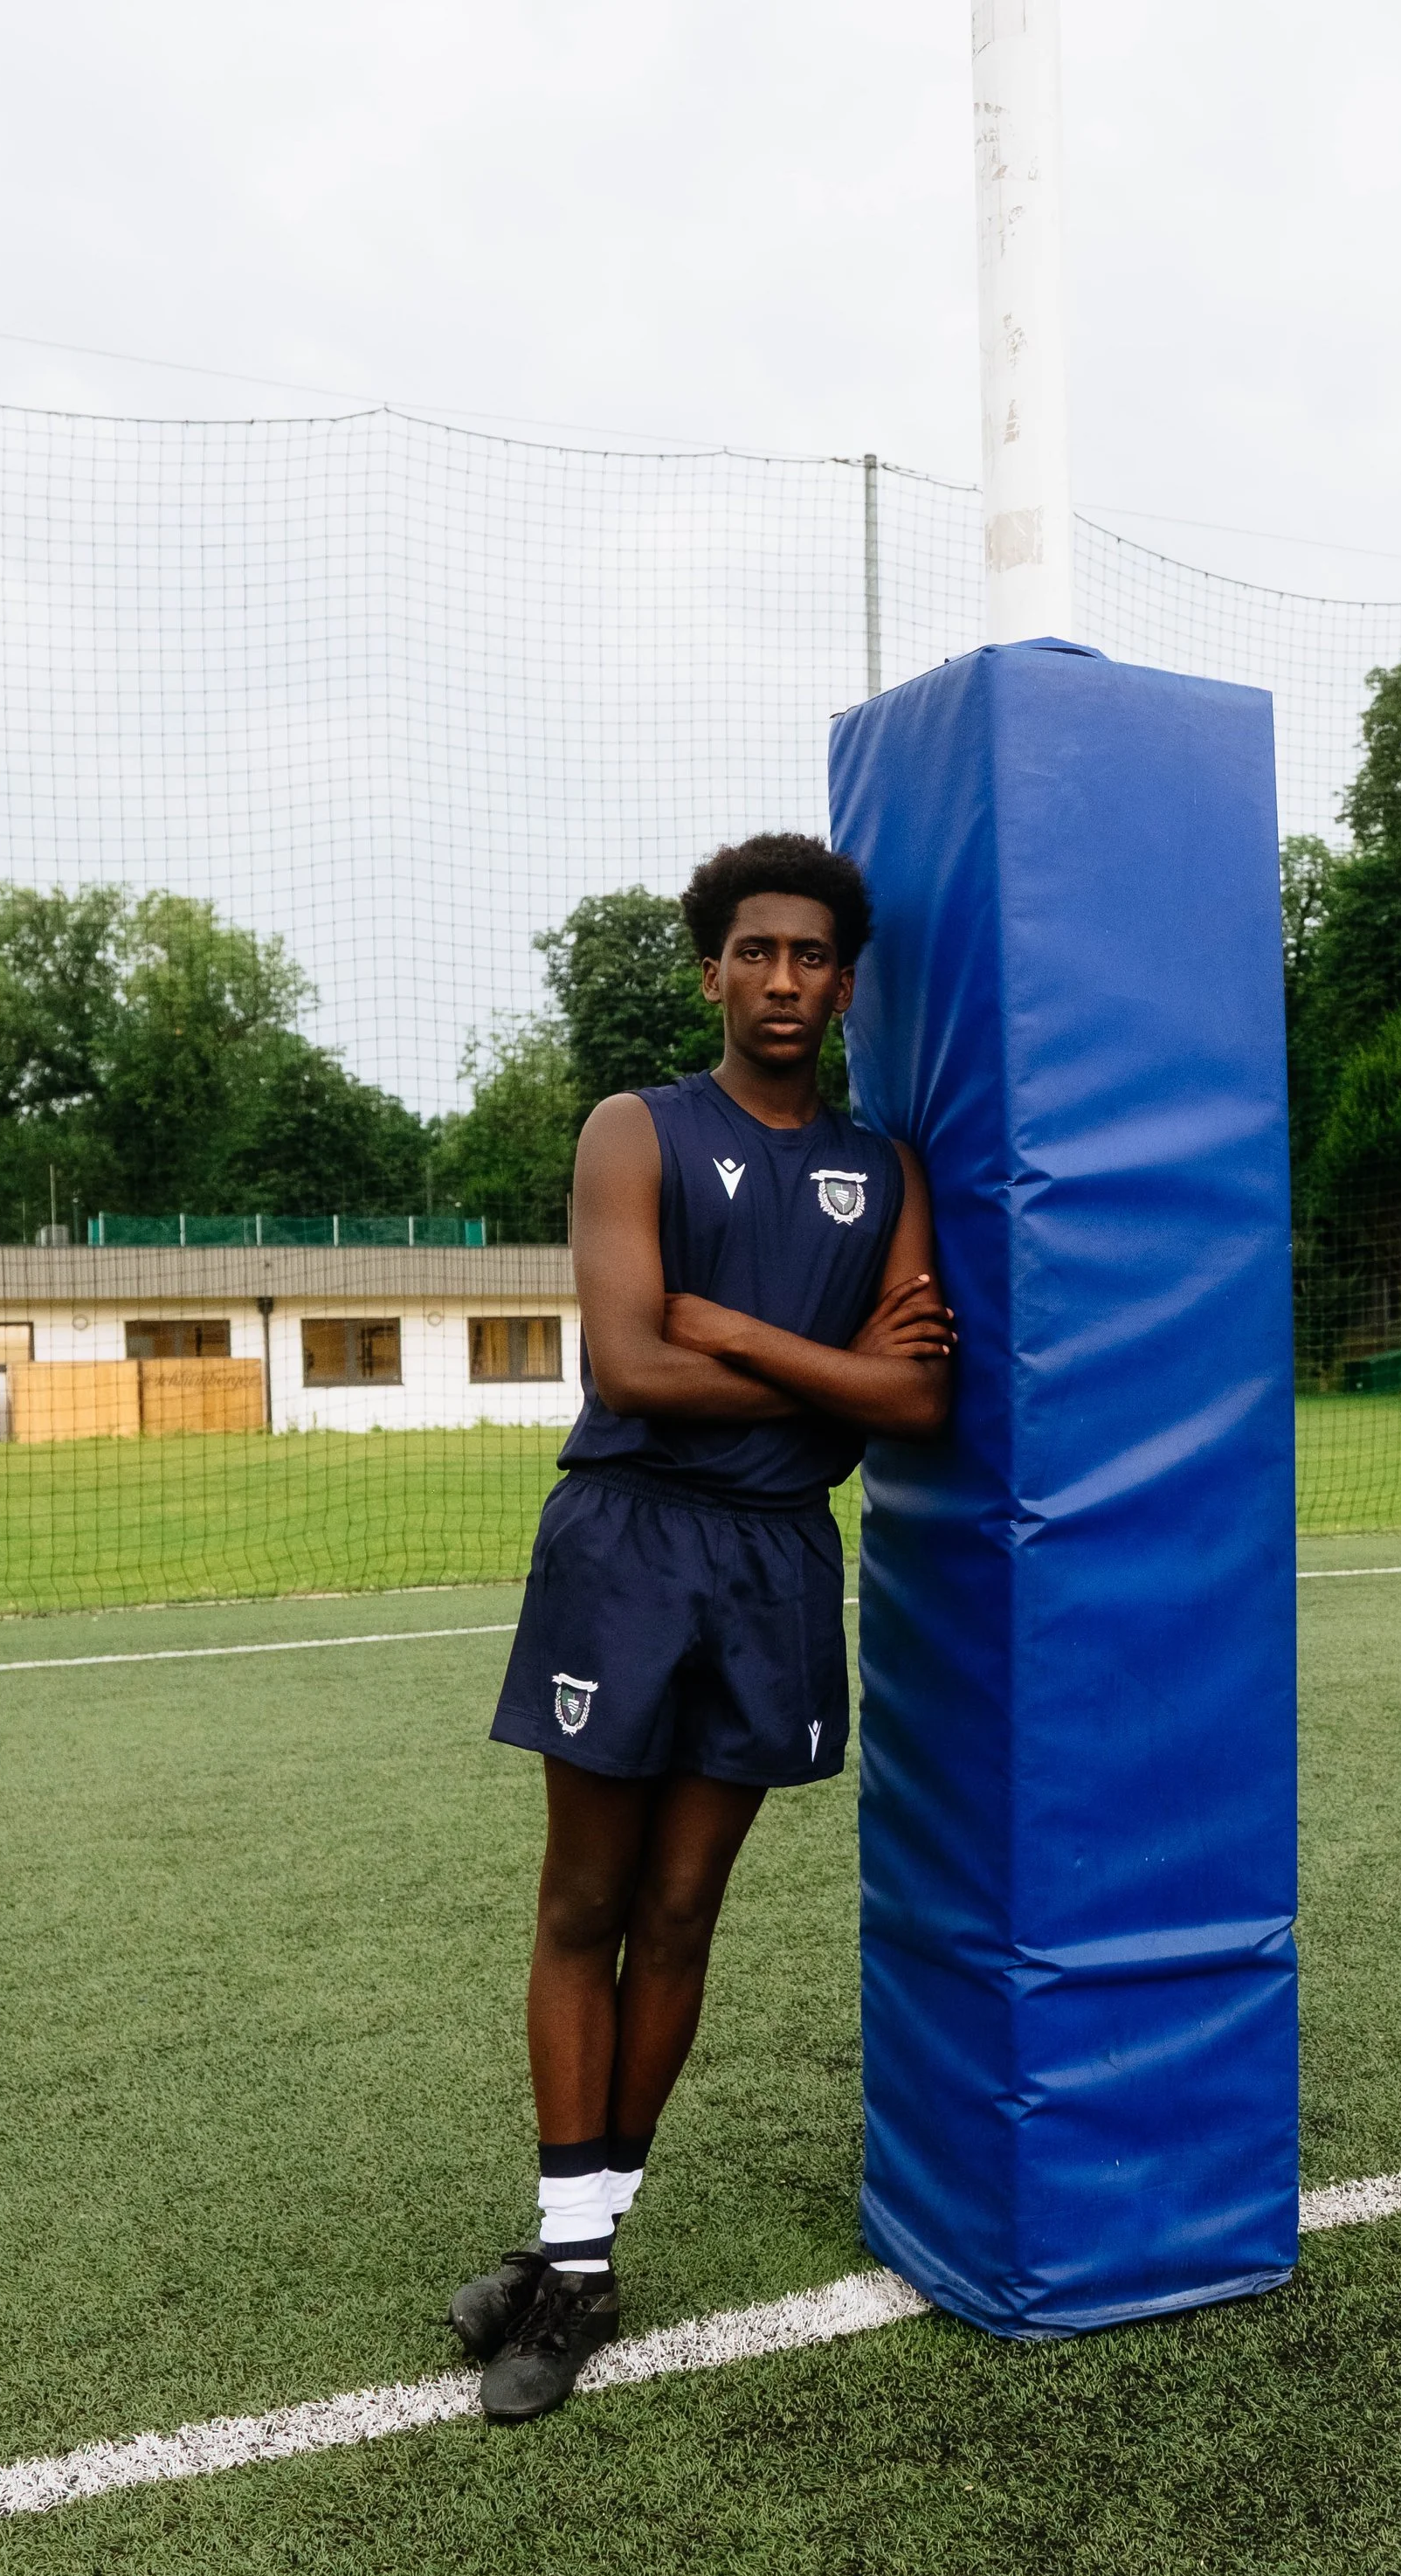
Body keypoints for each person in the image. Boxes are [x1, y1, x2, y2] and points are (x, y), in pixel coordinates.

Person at [454, 831, 953, 2425]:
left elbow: (921, 1398)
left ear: (846, 982)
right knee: (580, 1902)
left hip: (771, 1558)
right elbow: (630, 1372)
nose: (785, 979)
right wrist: (825, 1366)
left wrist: (722, 1320)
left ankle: (578, 2264)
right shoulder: (634, 1131)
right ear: (714, 969)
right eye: (758, 953)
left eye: (812, 957)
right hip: (622, 1544)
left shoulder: (884, 1173)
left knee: (679, 1916)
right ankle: (571, 2254)